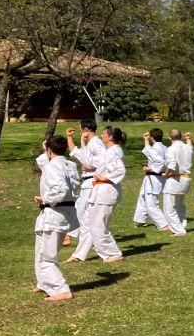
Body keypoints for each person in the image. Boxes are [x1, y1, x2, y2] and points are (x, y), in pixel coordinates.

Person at [68, 125, 127, 263]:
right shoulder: (109, 150)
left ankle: (113, 253)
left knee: (98, 225)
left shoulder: (115, 151)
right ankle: (79, 254)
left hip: (106, 190)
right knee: (87, 223)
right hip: (98, 191)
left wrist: (105, 178)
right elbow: (97, 163)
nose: (102, 135)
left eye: (104, 133)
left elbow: (120, 170)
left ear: (110, 137)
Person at [33, 135, 81, 300]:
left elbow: (60, 189)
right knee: (42, 250)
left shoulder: (53, 166)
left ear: (49, 150)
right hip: (65, 211)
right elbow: (68, 188)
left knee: (47, 256)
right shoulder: (71, 165)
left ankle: (60, 290)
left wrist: (46, 198)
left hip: (55, 212)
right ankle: (44, 283)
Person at [64, 118, 104, 249]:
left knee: (81, 211)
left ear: (86, 130)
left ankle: (80, 239)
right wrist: (69, 137)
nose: (80, 131)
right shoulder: (90, 144)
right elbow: (76, 153)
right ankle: (85, 239)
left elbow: (104, 159)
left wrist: (91, 167)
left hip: (93, 180)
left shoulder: (96, 143)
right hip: (89, 181)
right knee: (84, 212)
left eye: (81, 129)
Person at [132, 127, 169, 230]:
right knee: (142, 196)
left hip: (154, 178)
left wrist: (151, 169)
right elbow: (149, 151)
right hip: (154, 177)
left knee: (151, 203)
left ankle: (164, 224)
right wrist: (146, 140)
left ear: (152, 137)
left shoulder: (156, 148)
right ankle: (140, 219)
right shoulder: (165, 148)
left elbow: (160, 162)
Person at [162, 129, 194, 236]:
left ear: (169, 138)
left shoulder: (171, 149)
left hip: (175, 179)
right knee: (180, 205)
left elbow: (172, 165)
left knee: (168, 207)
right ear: (181, 137)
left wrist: (165, 175)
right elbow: (190, 148)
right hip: (186, 179)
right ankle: (181, 225)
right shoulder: (187, 147)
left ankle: (178, 230)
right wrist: (189, 139)